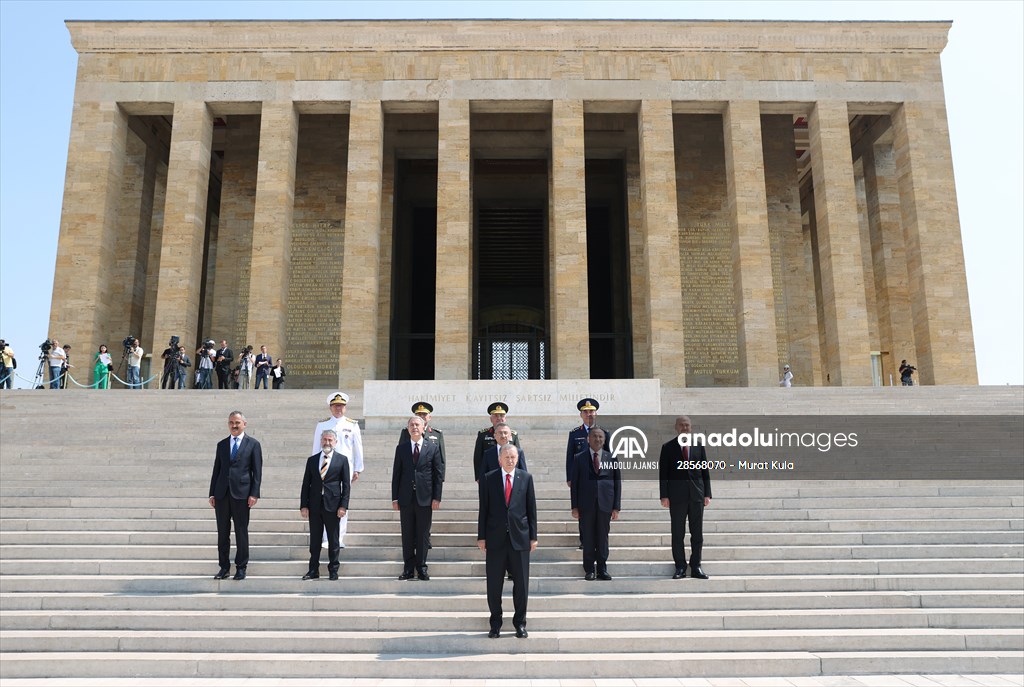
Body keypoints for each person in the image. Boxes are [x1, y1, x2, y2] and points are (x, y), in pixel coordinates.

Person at [477, 443, 537, 639]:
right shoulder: (488, 479)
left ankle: (520, 623)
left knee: (521, 585)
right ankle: (495, 623)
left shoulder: (526, 478)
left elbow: (531, 510)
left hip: (520, 540)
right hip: (495, 540)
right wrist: (482, 536)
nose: (510, 460)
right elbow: (483, 510)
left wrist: (533, 537)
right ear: (499, 459)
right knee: (494, 585)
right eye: (507, 457)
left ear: (517, 459)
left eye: (513, 457)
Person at [208, 410, 263, 580]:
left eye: (237, 423)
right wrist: (212, 493)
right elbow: (216, 469)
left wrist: (254, 494)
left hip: (242, 495)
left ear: (244, 424)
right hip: (222, 494)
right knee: (222, 533)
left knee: (241, 531)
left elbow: (257, 472)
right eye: (231, 422)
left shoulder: (253, 444)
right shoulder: (222, 444)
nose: (234, 425)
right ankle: (224, 567)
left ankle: (241, 567)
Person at [658, 415, 712, 580]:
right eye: (681, 425)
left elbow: (705, 472)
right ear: (676, 427)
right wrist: (664, 495)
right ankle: (680, 566)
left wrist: (707, 493)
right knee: (677, 533)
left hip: (696, 495)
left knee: (697, 534)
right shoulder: (668, 447)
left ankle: (696, 566)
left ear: (691, 427)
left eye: (687, 425)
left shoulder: (698, 446)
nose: (684, 428)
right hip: (677, 497)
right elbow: (663, 474)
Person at [391, 415, 443, 581]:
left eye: (417, 425)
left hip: (425, 498)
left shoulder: (432, 448)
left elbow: (437, 474)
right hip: (406, 498)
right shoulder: (402, 448)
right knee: (407, 534)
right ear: (408, 429)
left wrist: (437, 497)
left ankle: (421, 568)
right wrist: (395, 498)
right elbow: (396, 475)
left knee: (422, 534)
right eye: (411, 425)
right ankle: (408, 568)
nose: (414, 427)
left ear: (423, 428)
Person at [312, 392, 364, 549]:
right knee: (325, 503)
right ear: (330, 408)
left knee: (342, 502)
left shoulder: (352, 425)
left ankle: (339, 537)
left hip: (345, 468)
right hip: (326, 468)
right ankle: (326, 537)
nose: (338, 408)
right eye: (335, 406)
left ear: (345, 408)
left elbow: (358, 447)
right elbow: (316, 447)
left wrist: (358, 468)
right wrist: (315, 468)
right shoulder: (322, 425)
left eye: (341, 406)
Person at [571, 426, 621, 581]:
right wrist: (574, 506)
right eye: (594, 436)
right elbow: (575, 484)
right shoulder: (579, 458)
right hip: (586, 505)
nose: (597, 439)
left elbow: (617, 483)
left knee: (602, 537)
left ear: (604, 440)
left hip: (605, 503)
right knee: (588, 537)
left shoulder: (611, 457)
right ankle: (589, 569)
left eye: (600, 437)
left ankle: (602, 568)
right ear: (588, 439)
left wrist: (616, 506)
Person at [300, 428, 350, 580]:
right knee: (315, 539)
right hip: (315, 505)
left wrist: (343, 506)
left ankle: (333, 569)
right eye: (325, 440)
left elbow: (346, 485)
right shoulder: (312, 460)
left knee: (333, 540)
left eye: (330, 440)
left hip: (333, 506)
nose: (327, 442)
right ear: (320, 441)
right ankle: (313, 570)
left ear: (335, 442)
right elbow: (305, 484)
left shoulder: (342, 460)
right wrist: (304, 505)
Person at [398, 401, 445, 550]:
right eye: (419, 415)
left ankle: (425, 539)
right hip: (409, 484)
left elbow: (441, 460)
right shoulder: (406, 433)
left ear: (429, 418)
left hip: (426, 485)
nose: (422, 417)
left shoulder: (436, 434)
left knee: (424, 523)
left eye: (424, 414)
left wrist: (440, 480)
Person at [566, 398, 601, 549]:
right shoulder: (575, 434)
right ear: (581, 415)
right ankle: (584, 540)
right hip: (581, 479)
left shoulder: (604, 432)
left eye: (591, 411)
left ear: (596, 413)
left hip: (600, 479)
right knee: (583, 511)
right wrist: (570, 477)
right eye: (585, 412)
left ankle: (599, 540)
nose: (589, 414)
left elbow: (610, 456)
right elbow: (570, 457)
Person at [473, 402, 521, 483]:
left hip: (509, 473)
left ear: (505, 418)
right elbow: (478, 457)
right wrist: (478, 476)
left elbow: (518, 456)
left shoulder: (513, 434)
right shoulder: (483, 434)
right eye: (495, 416)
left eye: (501, 415)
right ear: (491, 419)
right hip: (490, 473)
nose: (499, 418)